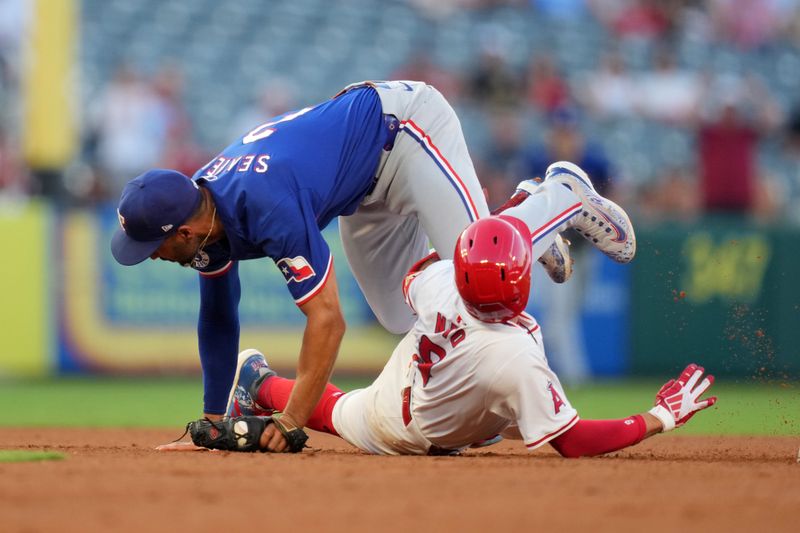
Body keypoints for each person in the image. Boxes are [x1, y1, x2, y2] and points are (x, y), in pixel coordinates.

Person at [112, 78, 634, 452]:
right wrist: (211, 420)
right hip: (362, 190)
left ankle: (554, 199)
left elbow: (327, 320)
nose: (152, 257)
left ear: (182, 231)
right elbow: (220, 315)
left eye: (151, 247)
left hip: (404, 131)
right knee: (402, 317)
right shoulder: (199, 211)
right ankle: (518, 222)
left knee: (473, 272)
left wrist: (293, 419)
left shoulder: (262, 202)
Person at [177, 213, 713, 457]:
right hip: (405, 423)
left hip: (431, 373)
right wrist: (657, 418)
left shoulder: (443, 283)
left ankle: (256, 380)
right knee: (342, 412)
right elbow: (573, 443)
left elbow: (419, 273)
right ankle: (256, 379)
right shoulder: (513, 356)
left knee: (501, 411)